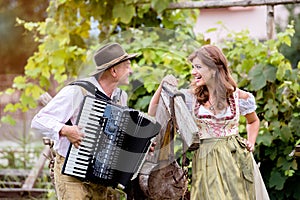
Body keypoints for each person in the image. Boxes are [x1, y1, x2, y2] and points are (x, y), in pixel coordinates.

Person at [148, 44, 269, 200]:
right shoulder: (190, 98)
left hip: (235, 158)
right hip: (207, 161)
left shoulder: (237, 96)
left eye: (198, 67)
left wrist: (251, 143)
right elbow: (154, 109)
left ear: (214, 68)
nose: (193, 72)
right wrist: (161, 88)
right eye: (193, 67)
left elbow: (253, 121)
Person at [31, 42, 139, 199]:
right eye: (127, 66)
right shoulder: (77, 91)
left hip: (100, 177)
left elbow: (116, 135)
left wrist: (138, 144)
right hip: (71, 176)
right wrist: (66, 130)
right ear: (114, 71)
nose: (131, 71)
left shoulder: (120, 97)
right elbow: (39, 120)